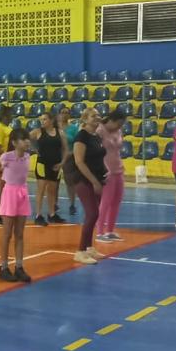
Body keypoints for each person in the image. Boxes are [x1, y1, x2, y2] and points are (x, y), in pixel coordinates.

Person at [63, 109, 106, 266]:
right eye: (93, 116)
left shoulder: (96, 136)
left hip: (98, 178)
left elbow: (98, 157)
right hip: (83, 179)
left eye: (98, 115)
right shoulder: (81, 136)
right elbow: (79, 161)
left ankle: (89, 248)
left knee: (94, 214)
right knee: (92, 213)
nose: (97, 117)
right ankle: (80, 251)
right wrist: (94, 181)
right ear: (85, 119)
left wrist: (103, 174)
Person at [0, 128, 33, 283]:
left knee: (20, 234)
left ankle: (19, 267)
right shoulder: (6, 157)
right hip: (10, 194)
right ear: (15, 142)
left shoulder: (27, 156)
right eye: (23, 139)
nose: (27, 141)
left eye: (27, 138)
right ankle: (3, 268)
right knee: (7, 233)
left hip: (22, 193)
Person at [95, 110, 128, 243]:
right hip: (106, 170)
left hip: (118, 168)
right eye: (118, 124)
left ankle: (110, 231)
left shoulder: (118, 131)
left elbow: (117, 148)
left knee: (116, 201)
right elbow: (96, 152)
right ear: (111, 120)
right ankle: (99, 233)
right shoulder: (99, 131)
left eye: (121, 125)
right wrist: (101, 168)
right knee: (106, 201)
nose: (120, 127)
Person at [30, 111, 66, 226]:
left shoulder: (60, 132)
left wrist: (62, 163)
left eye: (45, 119)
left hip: (56, 165)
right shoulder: (38, 132)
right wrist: (34, 149)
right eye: (41, 119)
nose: (42, 121)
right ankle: (38, 215)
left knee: (52, 190)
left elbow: (65, 149)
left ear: (51, 120)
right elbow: (26, 138)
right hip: (42, 164)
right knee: (41, 189)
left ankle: (52, 214)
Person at [61, 107, 80, 217]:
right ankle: (54, 204)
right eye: (62, 112)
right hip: (55, 157)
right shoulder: (55, 128)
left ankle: (72, 204)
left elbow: (77, 144)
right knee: (53, 183)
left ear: (69, 115)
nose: (64, 114)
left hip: (69, 158)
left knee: (70, 182)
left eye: (67, 113)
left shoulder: (74, 128)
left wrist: (71, 153)